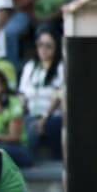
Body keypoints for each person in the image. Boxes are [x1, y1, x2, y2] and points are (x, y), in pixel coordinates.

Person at [19, 31, 63, 160]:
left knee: (41, 126)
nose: (43, 49)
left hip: (53, 115)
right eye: (40, 45)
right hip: (31, 113)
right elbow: (22, 94)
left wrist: (44, 118)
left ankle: (30, 161)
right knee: (25, 123)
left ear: (56, 48)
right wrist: (20, 111)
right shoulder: (30, 66)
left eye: (48, 46)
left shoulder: (61, 67)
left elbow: (58, 96)